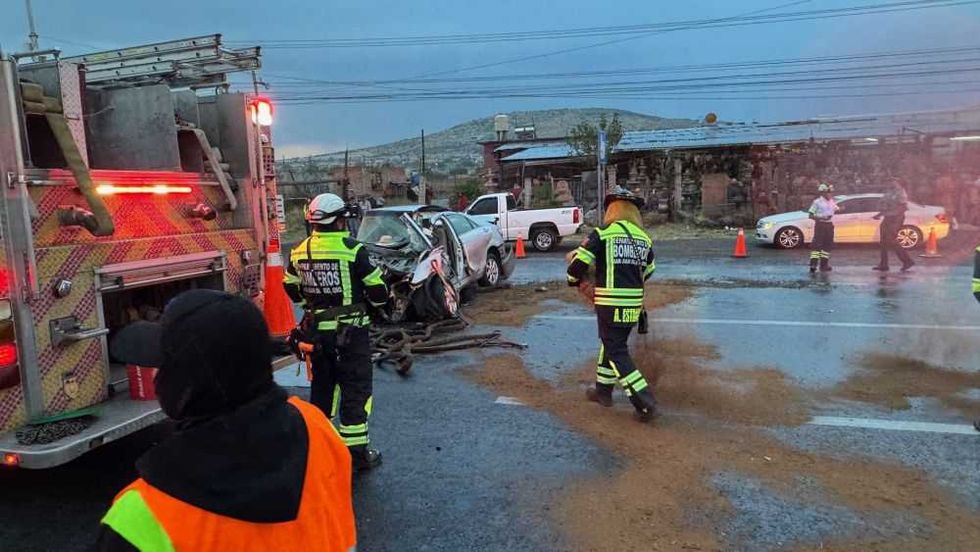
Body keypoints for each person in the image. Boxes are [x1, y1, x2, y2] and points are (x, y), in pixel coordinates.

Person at [97, 290, 356, 551]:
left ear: (190, 383)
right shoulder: (318, 430)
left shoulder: (143, 518)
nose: (156, 378)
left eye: (165, 367)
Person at [284, 192, 389, 471]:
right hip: (351, 335)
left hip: (318, 336)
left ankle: (322, 449)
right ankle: (355, 456)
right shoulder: (353, 249)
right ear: (340, 220)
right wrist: (377, 306)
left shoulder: (299, 250)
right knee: (355, 391)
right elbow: (378, 291)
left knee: (322, 391)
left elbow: (290, 285)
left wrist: (308, 304)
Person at [566, 187, 658, 422]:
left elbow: (580, 263)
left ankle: (644, 402)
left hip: (609, 303)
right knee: (611, 344)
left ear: (612, 209)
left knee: (616, 350)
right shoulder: (643, 238)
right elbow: (649, 270)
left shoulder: (603, 233)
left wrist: (573, 279)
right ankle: (603, 391)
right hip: (634, 305)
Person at [872, 178, 915, 272]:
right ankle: (883, 264)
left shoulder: (901, 193)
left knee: (892, 240)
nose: (891, 183)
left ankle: (907, 261)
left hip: (895, 218)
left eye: (894, 181)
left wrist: (897, 218)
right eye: (890, 181)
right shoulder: (890, 192)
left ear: (899, 184)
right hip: (887, 217)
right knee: (883, 241)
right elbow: (887, 206)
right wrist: (880, 214)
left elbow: (903, 207)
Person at [807, 183, 839, 273]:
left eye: (831, 193)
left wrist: (842, 209)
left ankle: (824, 265)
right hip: (820, 225)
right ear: (823, 193)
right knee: (817, 246)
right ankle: (813, 265)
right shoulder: (817, 202)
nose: (830, 194)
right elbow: (810, 215)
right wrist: (822, 217)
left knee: (827, 245)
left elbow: (836, 209)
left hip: (829, 226)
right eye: (828, 193)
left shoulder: (831, 201)